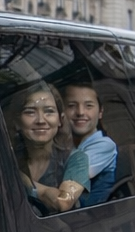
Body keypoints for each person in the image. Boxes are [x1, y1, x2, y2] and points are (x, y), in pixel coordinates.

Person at [7, 82, 90, 214]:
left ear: (60, 120)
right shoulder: (6, 158)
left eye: (49, 111)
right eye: (30, 112)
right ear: (17, 122)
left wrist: (24, 180)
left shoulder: (75, 158)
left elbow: (63, 202)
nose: (41, 120)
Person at [62, 81, 117, 208]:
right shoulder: (69, 146)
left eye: (89, 105)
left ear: (100, 111)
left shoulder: (104, 145)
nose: (80, 112)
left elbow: (68, 187)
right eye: (71, 105)